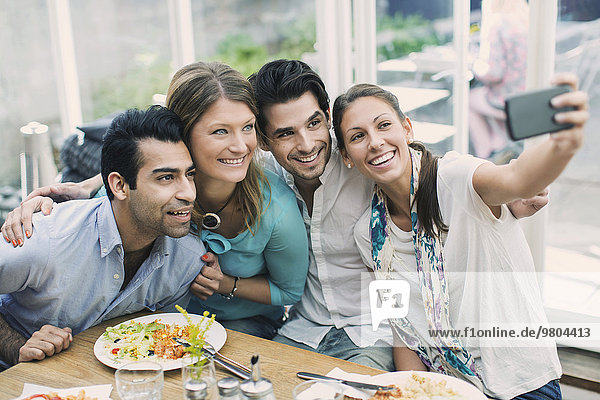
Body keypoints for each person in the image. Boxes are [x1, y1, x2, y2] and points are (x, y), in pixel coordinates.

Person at [247, 59, 548, 371]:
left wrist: (501, 193)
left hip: (370, 331)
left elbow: (424, 167)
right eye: (286, 133)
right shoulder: (266, 181)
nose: (307, 144)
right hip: (303, 329)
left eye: (313, 124)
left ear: (327, 119)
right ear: (265, 141)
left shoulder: (361, 157)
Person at [1, 61, 309, 340]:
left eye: (247, 128)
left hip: (237, 323)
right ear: (183, 136)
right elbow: (131, 170)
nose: (240, 146)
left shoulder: (273, 207)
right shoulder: (144, 194)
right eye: (220, 131)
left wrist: (225, 283)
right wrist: (75, 193)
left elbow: (290, 290)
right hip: (156, 323)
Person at [332, 76, 588, 398]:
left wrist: (561, 146)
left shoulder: (453, 178)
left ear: (407, 129)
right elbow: (403, 332)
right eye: (358, 136)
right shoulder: (368, 236)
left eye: (384, 125)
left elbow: (518, 178)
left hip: (522, 386)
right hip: (451, 388)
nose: (375, 142)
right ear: (346, 156)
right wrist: (412, 393)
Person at [0, 105, 207, 368]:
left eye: (189, 174)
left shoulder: (186, 259)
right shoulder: (47, 239)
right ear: (119, 185)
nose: (189, 193)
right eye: (166, 178)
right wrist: (16, 346)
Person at [469, 0, 529, 160]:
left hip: (507, 100)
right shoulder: (527, 18)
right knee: (483, 95)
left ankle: (485, 153)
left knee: (467, 100)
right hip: (527, 95)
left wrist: (474, 64)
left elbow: (494, 73)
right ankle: (498, 142)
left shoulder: (497, 23)